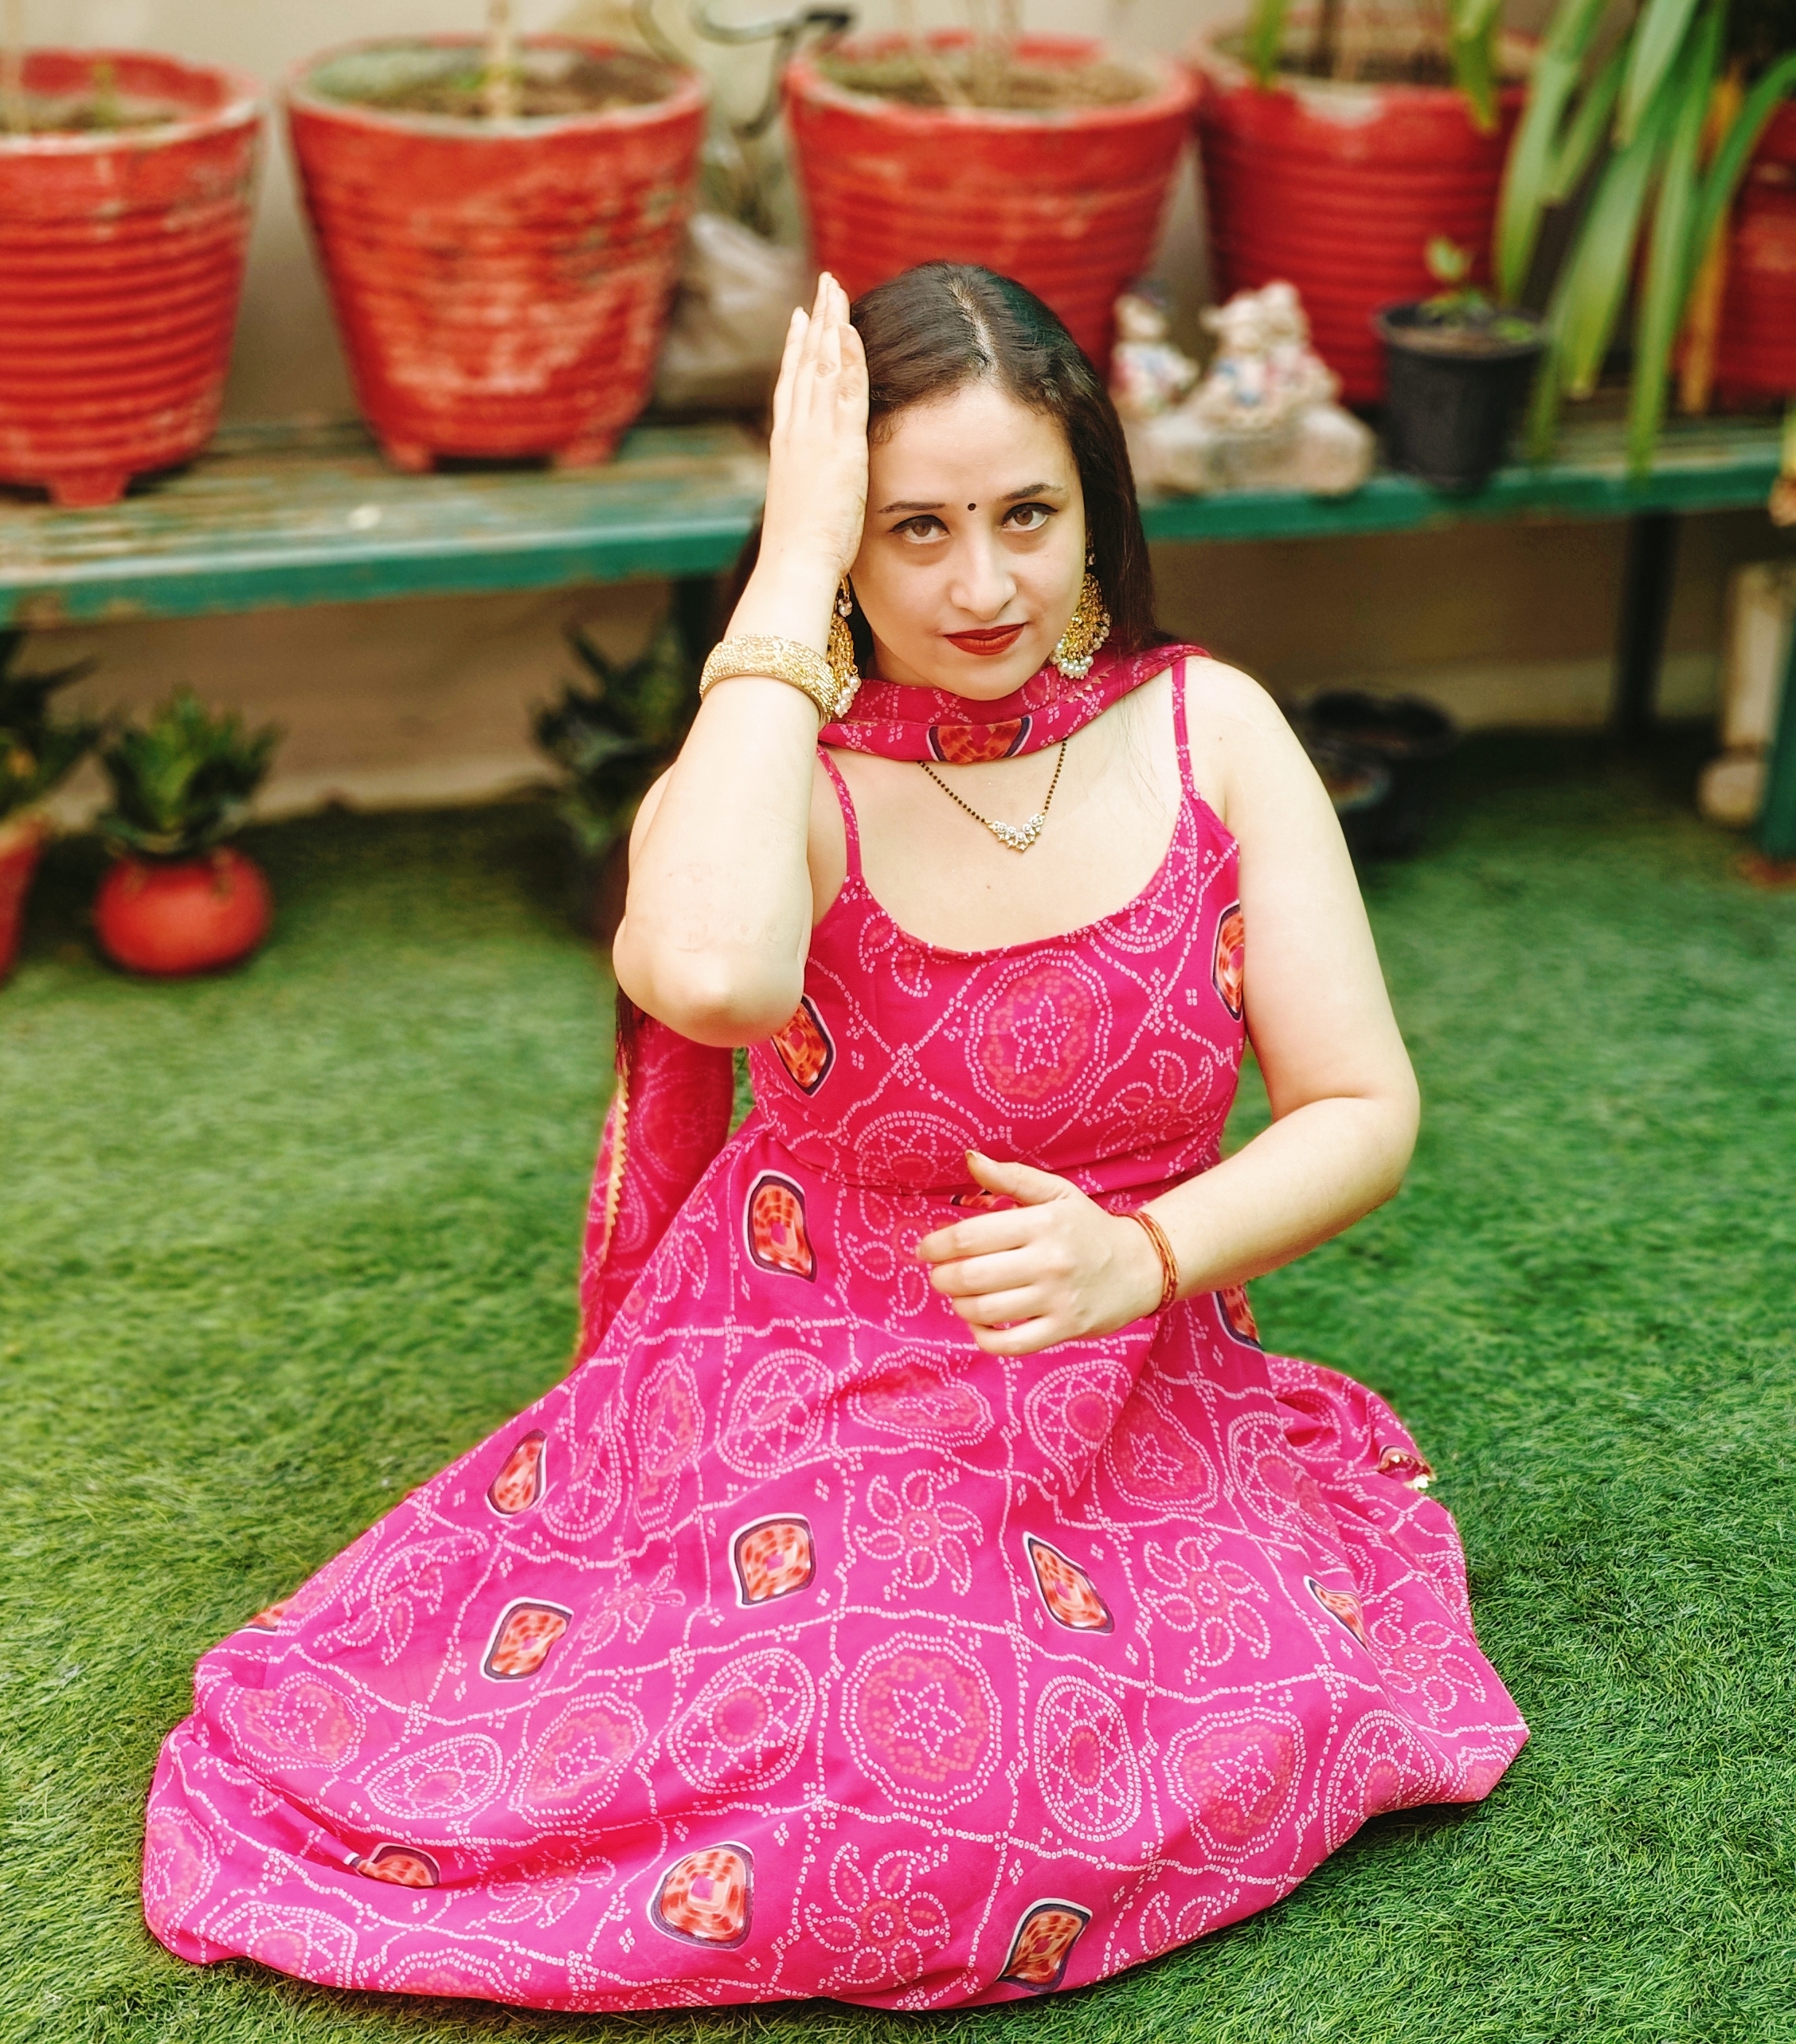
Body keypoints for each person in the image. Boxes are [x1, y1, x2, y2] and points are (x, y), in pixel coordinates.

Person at [143, 264, 1524, 2012]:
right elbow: (713, 975)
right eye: (912, 528)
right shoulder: (781, 771)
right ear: (844, 545)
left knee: (1173, 1735)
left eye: (1027, 515)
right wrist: (791, 576)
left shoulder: (1212, 730)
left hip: (1128, 1368)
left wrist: (1143, 1255)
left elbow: (1362, 1105)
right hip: (812, 1370)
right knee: (874, 1771)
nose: (983, 584)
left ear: (1096, 508)